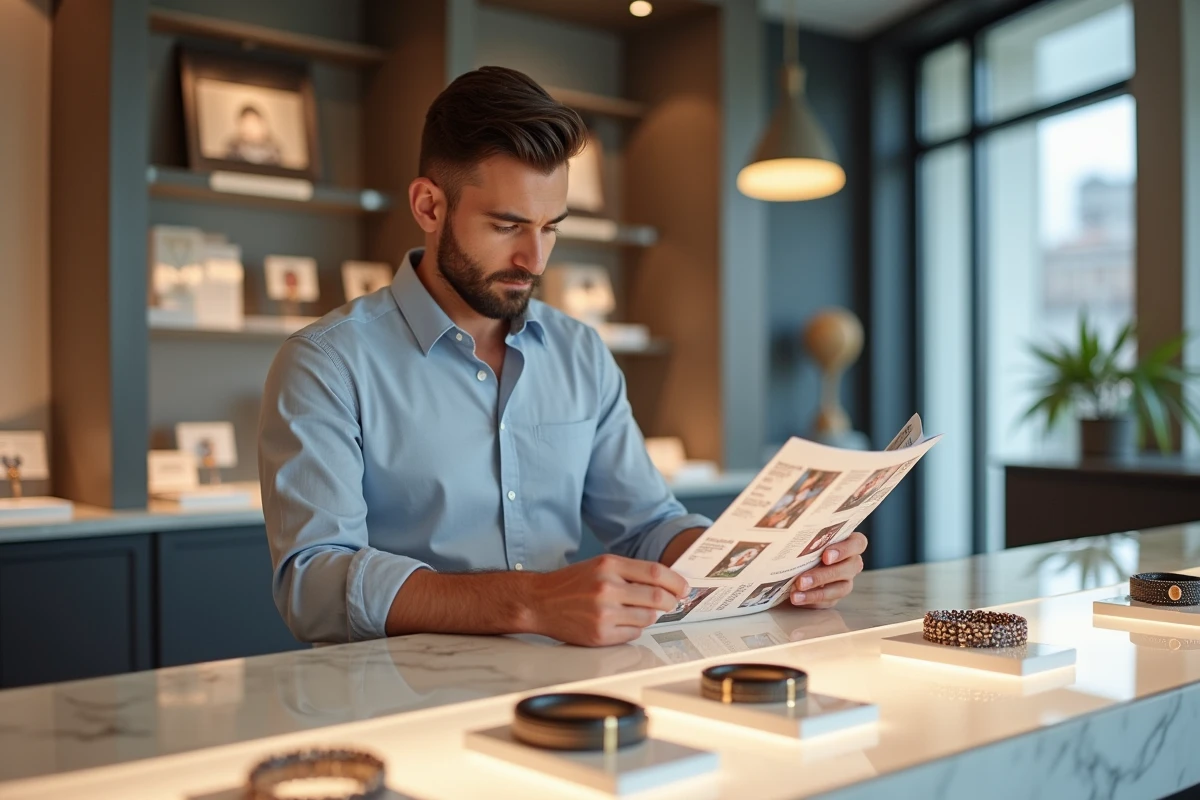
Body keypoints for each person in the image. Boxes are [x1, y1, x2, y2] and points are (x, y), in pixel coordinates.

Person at [258, 66, 867, 648]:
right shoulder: (325, 364)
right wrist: (531, 601)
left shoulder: (581, 352)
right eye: (507, 226)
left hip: (565, 682)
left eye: (551, 227)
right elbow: (314, 584)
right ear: (429, 207)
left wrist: (770, 569)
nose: (536, 259)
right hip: (402, 697)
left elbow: (647, 524)